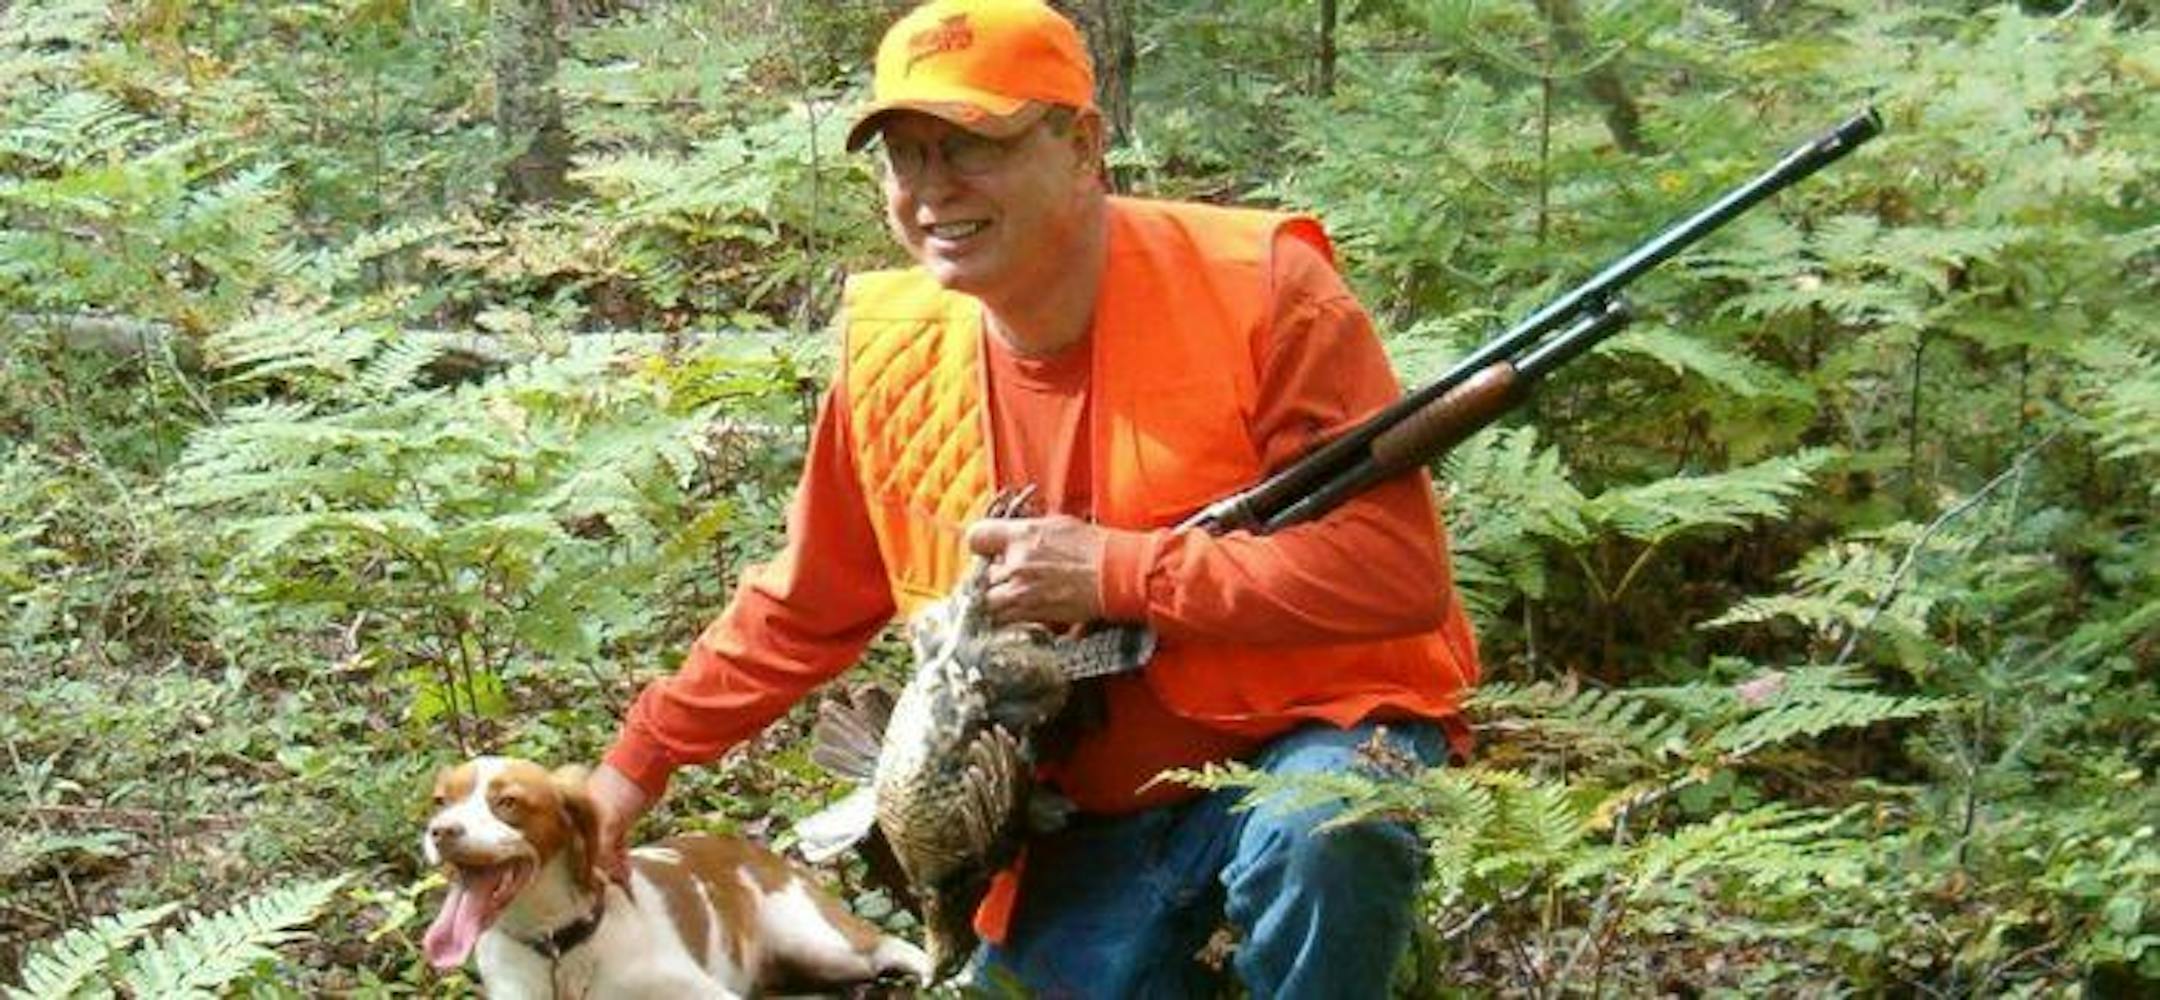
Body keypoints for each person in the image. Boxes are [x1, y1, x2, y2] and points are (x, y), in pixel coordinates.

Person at [584, 0, 1482, 994]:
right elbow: (806, 604)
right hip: (1080, 809)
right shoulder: (894, 356)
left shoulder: (1262, 290)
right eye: (904, 156)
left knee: (1321, 832)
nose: (931, 190)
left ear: (1083, 146)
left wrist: (1116, 568)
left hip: (1307, 735)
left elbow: (1399, 575)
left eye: (972, 147)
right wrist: (637, 764)